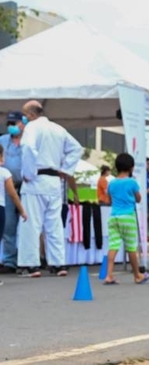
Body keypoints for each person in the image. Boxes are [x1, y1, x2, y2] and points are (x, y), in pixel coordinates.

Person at [17, 100, 82, 278]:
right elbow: (76, 148)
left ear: (30, 115)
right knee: (54, 225)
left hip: (36, 180)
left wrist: (29, 173)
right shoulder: (58, 129)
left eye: (25, 114)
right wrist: (66, 169)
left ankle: (32, 265)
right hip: (54, 182)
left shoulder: (32, 127)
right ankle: (58, 263)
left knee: (31, 223)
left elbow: (28, 147)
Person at [104, 153, 149, 285]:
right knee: (131, 247)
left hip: (113, 217)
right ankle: (137, 275)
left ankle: (109, 275)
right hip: (128, 217)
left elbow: (108, 201)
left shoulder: (111, 183)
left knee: (113, 246)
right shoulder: (132, 182)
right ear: (131, 167)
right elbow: (138, 198)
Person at [0, 111, 26, 274]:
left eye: (14, 123)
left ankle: (27, 259)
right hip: (7, 186)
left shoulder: (30, 140)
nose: (11, 127)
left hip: (27, 187)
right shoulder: (2, 140)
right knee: (8, 225)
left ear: (23, 123)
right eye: (9, 123)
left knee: (28, 224)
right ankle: (9, 260)